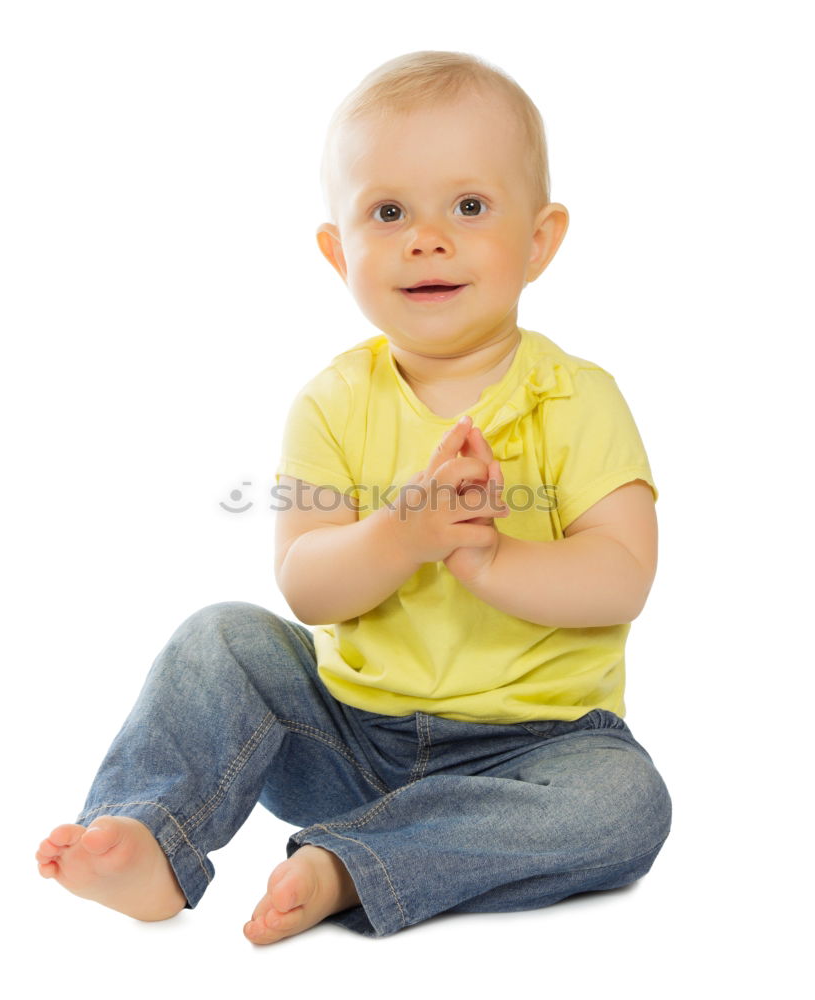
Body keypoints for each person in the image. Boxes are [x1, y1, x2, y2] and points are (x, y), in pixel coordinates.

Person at [35, 50, 672, 944]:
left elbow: (622, 574)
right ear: (338, 251)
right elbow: (307, 586)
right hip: (349, 737)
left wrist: (491, 557)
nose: (427, 237)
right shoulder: (332, 402)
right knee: (222, 635)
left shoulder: (579, 397)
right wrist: (401, 535)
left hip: (538, 751)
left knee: (625, 806)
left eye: (471, 207)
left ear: (540, 239)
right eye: (387, 212)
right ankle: (150, 833)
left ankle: (349, 865)